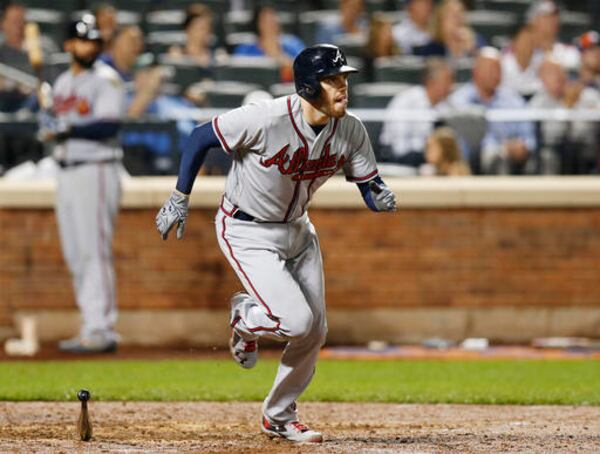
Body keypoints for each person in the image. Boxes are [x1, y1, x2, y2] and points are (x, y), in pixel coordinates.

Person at [155, 44, 396, 443]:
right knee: (297, 321)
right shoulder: (266, 118)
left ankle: (279, 416)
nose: (343, 87)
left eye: (344, 79)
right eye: (333, 80)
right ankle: (245, 317)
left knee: (315, 330)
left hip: (299, 231)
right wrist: (180, 197)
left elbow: (369, 185)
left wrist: (380, 197)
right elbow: (200, 137)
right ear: (307, 86)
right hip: (247, 230)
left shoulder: (350, 128)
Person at [39, 15, 125, 353]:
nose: (89, 46)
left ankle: (103, 328)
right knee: (76, 253)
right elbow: (54, 128)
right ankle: (90, 325)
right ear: (69, 45)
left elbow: (108, 126)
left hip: (97, 168)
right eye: (83, 40)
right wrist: (49, 125)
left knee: (94, 250)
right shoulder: (60, 83)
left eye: (94, 41)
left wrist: (66, 128)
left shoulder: (106, 79)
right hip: (66, 169)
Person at [450, 47, 537, 174]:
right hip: (470, 163)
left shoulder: (512, 100)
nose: (496, 74)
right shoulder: (459, 101)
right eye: (491, 69)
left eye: (498, 69)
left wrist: (521, 146)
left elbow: (529, 139)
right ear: (476, 72)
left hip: (509, 162)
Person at [529, 57, 600, 174]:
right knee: (549, 156)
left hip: (588, 147)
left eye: (560, 71)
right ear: (542, 79)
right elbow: (553, 135)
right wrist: (567, 106)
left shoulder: (587, 94)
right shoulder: (537, 103)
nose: (558, 76)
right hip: (557, 150)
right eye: (551, 73)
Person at [379, 58, 454, 167]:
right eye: (447, 80)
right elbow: (399, 148)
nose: (451, 86)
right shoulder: (406, 101)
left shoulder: (446, 105)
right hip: (398, 157)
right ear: (431, 82)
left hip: (430, 157)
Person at [233, 5, 305, 82]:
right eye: (265, 20)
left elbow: (307, 71)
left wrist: (281, 58)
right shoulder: (245, 48)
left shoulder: (293, 44)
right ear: (258, 23)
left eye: (273, 18)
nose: (270, 24)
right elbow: (237, 74)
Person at [415, 0, 482, 60]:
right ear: (440, 20)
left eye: (460, 13)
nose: (457, 20)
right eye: (452, 15)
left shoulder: (477, 41)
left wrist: (472, 49)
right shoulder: (431, 49)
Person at [526, 0, 580, 71]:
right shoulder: (519, 53)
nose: (553, 20)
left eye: (556, 15)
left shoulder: (570, 54)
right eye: (546, 15)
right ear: (533, 20)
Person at [500, 23, 543, 100]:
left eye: (531, 41)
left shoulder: (543, 64)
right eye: (524, 40)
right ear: (513, 43)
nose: (528, 45)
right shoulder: (501, 66)